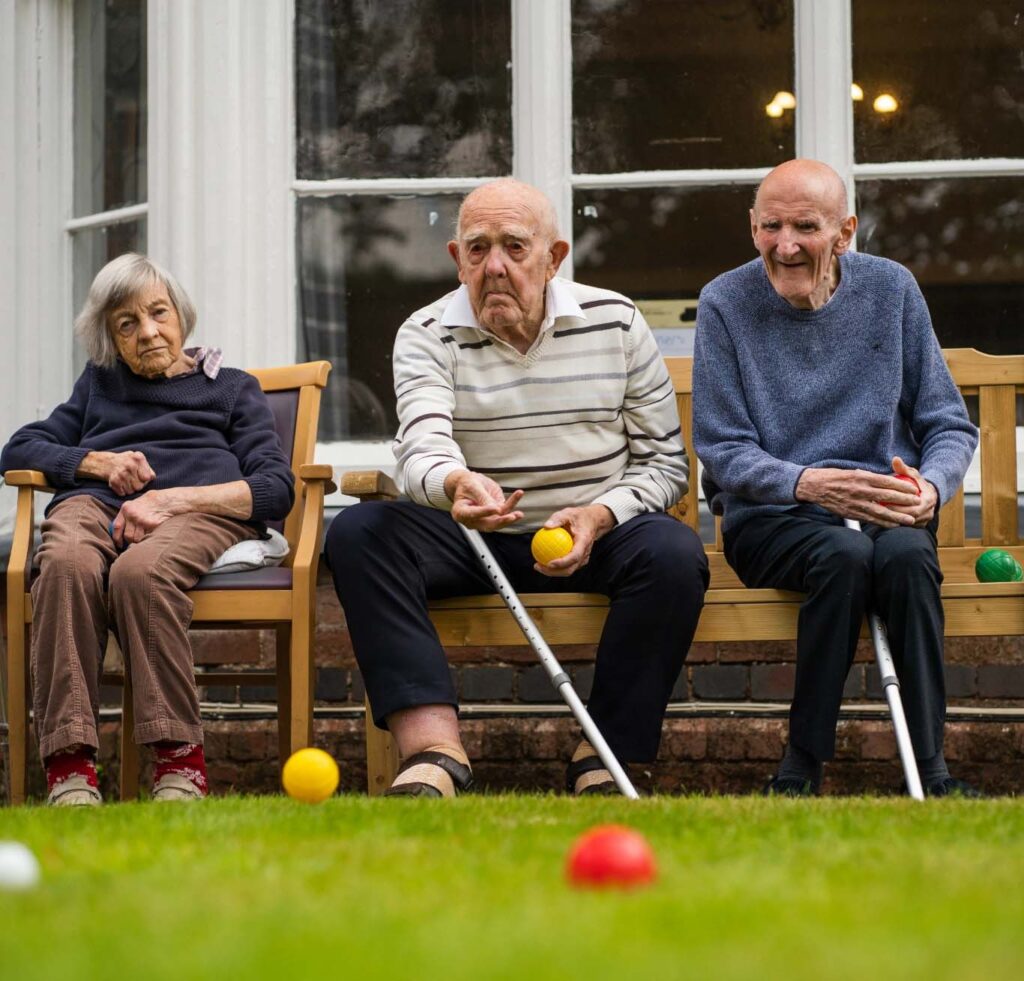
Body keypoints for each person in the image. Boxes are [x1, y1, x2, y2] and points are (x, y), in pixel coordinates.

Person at [327, 178, 708, 797]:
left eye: (514, 247)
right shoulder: (425, 332)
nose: (495, 266)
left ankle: (602, 757)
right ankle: (433, 753)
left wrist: (601, 515)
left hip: (592, 534)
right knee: (360, 533)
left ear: (554, 258)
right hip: (474, 532)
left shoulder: (615, 321)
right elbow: (423, 440)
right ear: (457, 260)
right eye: (477, 249)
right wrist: (456, 482)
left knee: (673, 555)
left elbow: (665, 465)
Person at [692, 159, 980, 797]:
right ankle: (801, 767)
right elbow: (721, 446)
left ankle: (933, 771)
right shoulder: (724, 303)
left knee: (906, 558)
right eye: (770, 227)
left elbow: (949, 426)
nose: (785, 245)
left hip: (884, 510)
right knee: (843, 554)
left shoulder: (892, 290)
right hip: (772, 517)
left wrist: (930, 486)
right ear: (752, 227)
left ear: (846, 231)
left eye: (805, 227)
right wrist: (809, 484)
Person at [1, 254, 294, 805]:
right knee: (64, 564)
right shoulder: (99, 385)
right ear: (111, 338)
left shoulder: (231, 388)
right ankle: (69, 770)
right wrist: (99, 463)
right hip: (95, 503)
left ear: (181, 314)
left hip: (194, 513)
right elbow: (18, 449)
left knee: (141, 573)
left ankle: (179, 764)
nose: (148, 331)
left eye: (158, 312)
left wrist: (170, 500)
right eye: (126, 324)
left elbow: (276, 489)